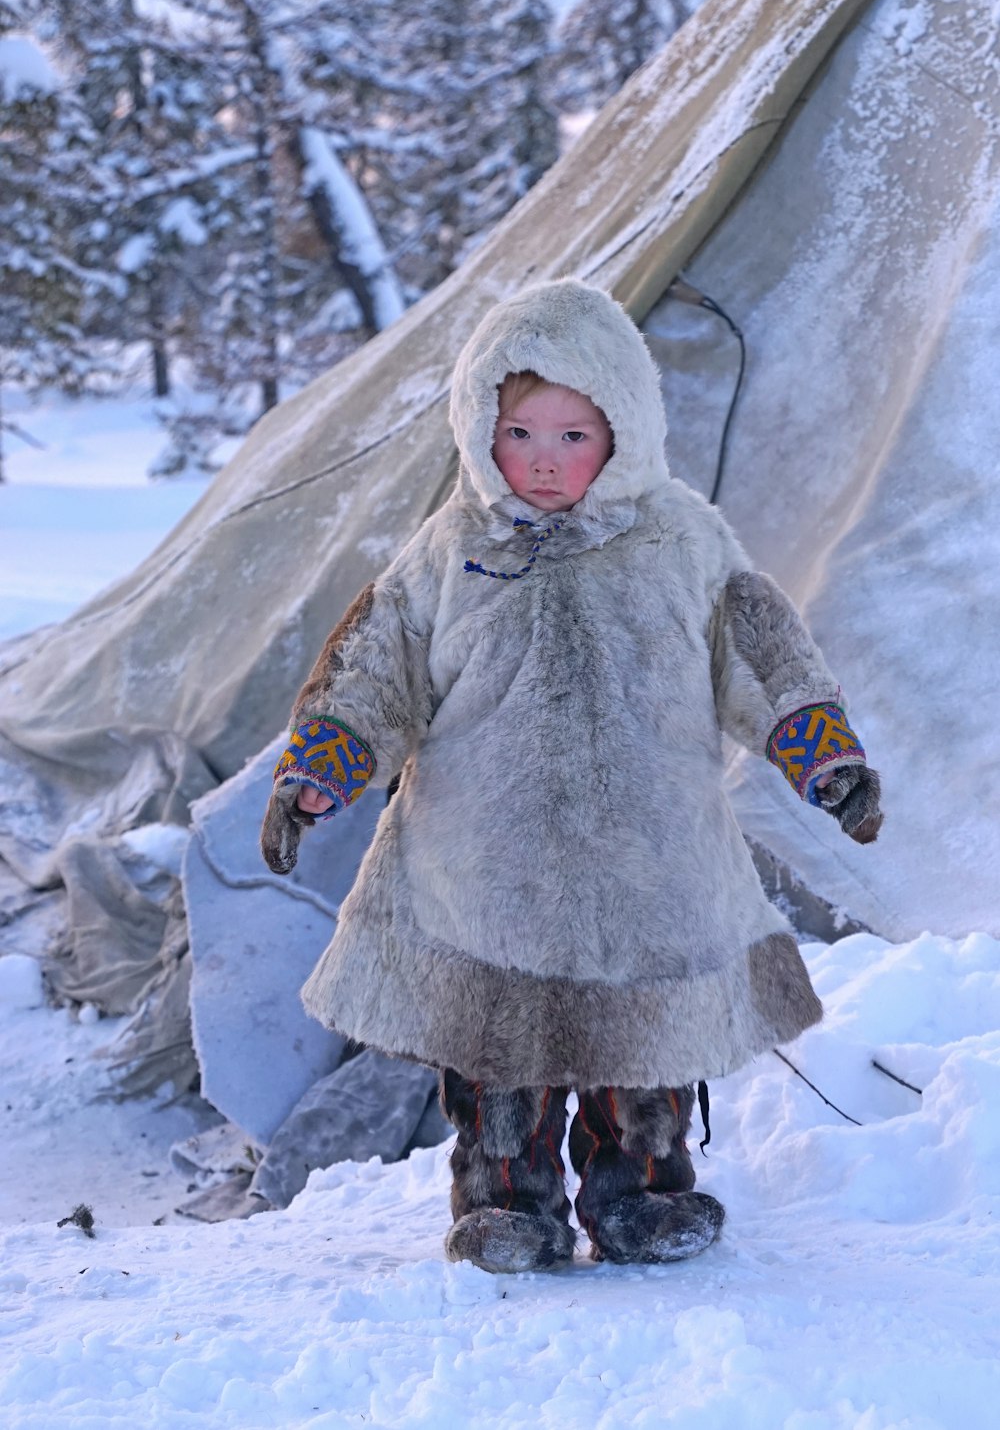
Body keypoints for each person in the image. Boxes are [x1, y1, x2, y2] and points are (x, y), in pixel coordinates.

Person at [260, 279, 882, 1274]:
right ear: (478, 429)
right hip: (486, 871)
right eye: (518, 433)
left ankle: (641, 1195)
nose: (542, 461)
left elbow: (758, 655)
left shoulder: (681, 542)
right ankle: (507, 1207)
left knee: (643, 1049)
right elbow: (374, 668)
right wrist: (319, 771)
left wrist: (822, 755)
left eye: (572, 435)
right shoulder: (450, 550)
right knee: (502, 1059)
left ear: (625, 428)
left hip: (650, 867)